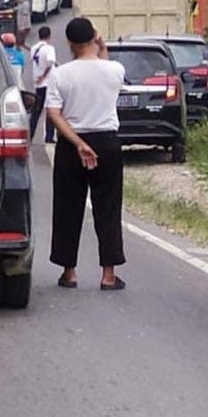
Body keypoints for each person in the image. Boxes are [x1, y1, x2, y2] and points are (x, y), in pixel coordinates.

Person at [46, 17, 126, 290]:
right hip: (106, 142)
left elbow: (54, 113)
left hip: (72, 144)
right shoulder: (115, 69)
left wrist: (78, 143)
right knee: (108, 207)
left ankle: (69, 271)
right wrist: (102, 47)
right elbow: (105, 68)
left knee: (68, 207)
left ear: (69, 42)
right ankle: (108, 274)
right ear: (94, 37)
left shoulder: (60, 74)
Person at [28, 25, 57, 143]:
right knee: (50, 110)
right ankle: (49, 137)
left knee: (36, 111)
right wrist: (44, 76)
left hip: (38, 84)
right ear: (49, 36)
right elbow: (50, 64)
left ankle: (30, 136)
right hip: (48, 83)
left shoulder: (34, 48)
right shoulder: (49, 48)